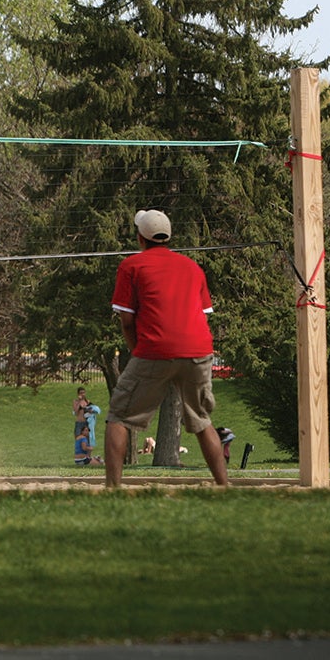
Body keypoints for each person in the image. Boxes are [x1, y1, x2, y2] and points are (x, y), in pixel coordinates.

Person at [104, 209, 228, 488]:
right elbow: (202, 315)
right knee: (201, 419)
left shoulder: (132, 266)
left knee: (119, 416)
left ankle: (112, 489)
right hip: (199, 350)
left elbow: (127, 322)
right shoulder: (192, 267)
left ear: (140, 238)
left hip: (154, 348)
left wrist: (139, 352)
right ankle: (224, 486)